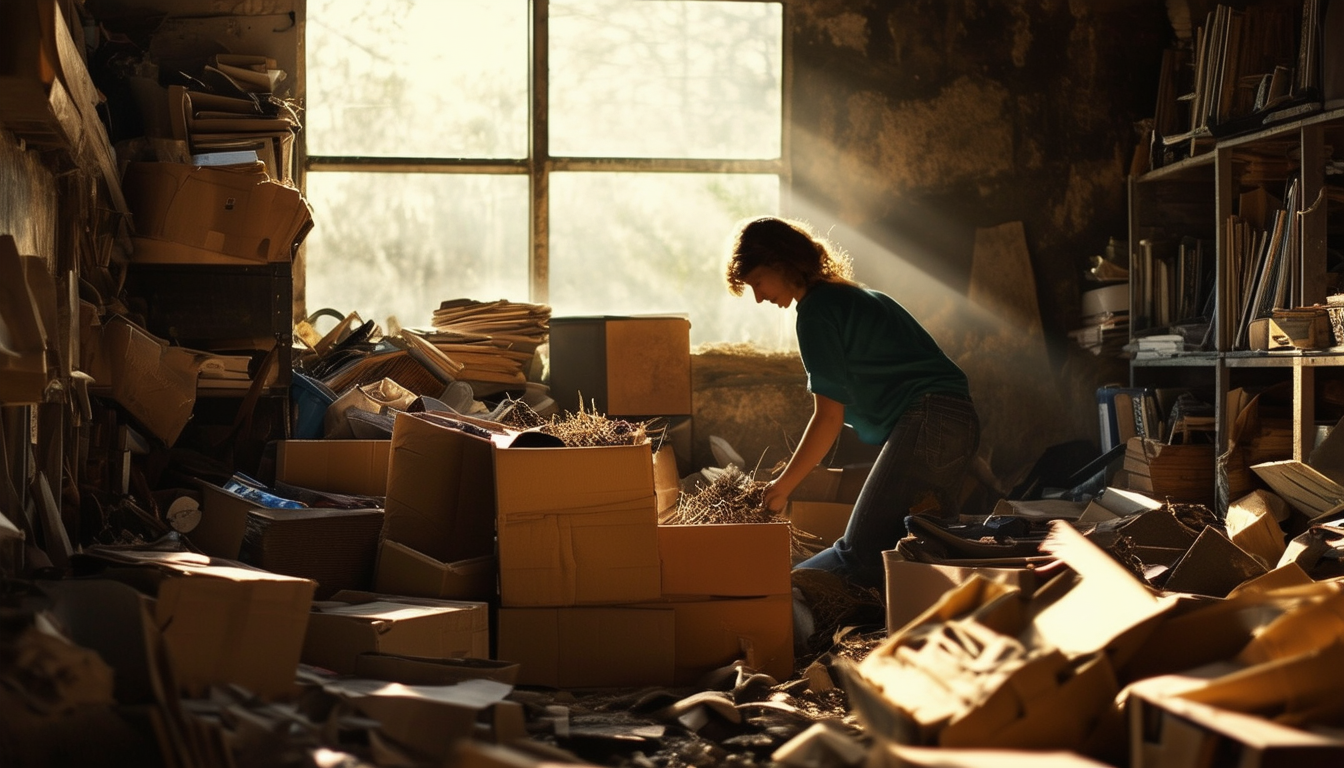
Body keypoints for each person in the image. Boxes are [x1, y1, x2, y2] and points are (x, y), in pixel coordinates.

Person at [725, 216, 980, 592]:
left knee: (858, 554)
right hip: (952, 421)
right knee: (923, 549)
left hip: (929, 421)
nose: (759, 297)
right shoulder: (851, 295)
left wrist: (781, 488)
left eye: (757, 283)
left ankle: (769, 598)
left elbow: (828, 418)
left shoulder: (815, 311)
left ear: (779, 263)